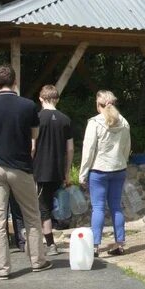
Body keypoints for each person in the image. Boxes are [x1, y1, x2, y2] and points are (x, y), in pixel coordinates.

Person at [0, 64, 51, 279]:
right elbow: (34, 135)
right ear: (15, 82)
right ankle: (38, 260)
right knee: (31, 215)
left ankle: (2, 269)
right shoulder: (28, 106)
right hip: (21, 167)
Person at [79, 90, 131, 257]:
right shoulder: (124, 122)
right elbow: (126, 148)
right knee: (116, 207)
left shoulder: (94, 123)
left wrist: (82, 173)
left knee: (98, 208)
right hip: (118, 169)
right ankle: (120, 243)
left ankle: (95, 246)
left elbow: (88, 150)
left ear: (97, 104)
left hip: (99, 170)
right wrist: (122, 162)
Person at [32, 85, 74, 255]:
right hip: (57, 170)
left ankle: (50, 244)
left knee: (44, 208)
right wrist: (67, 171)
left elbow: (32, 146)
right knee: (50, 205)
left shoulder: (36, 118)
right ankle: (48, 241)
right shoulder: (65, 119)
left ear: (41, 99)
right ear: (57, 99)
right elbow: (70, 148)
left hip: (40, 170)